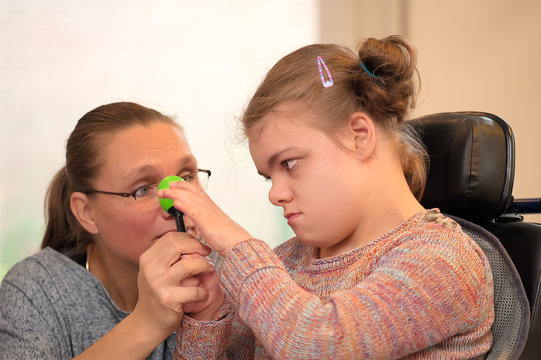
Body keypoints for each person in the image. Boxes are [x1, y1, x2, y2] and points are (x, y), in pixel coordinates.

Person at [160, 35, 495, 359]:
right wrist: (207, 315)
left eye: (289, 163)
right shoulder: (287, 262)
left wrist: (236, 246)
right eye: (268, 177)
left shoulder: (444, 261)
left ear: (359, 136)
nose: (276, 194)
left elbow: (317, 345)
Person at [0, 102, 223, 359]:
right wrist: (146, 323)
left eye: (185, 178)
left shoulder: (219, 269)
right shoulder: (37, 292)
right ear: (87, 212)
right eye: (142, 189)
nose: (177, 203)